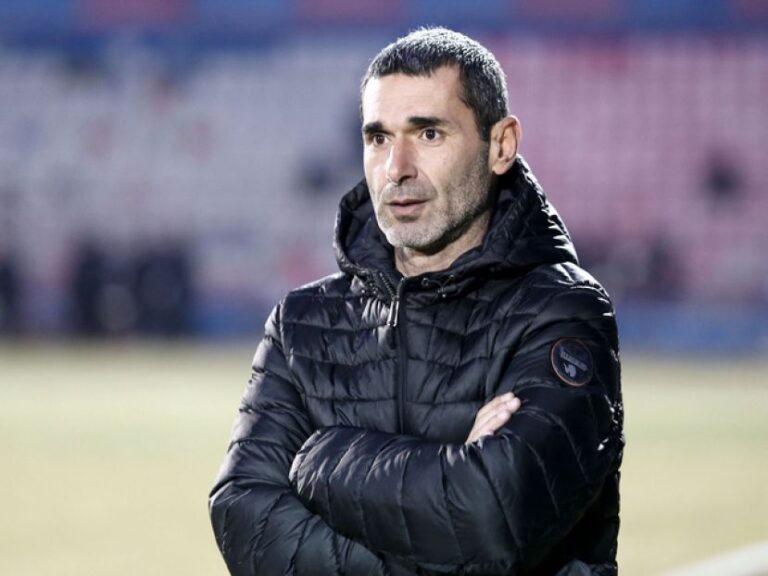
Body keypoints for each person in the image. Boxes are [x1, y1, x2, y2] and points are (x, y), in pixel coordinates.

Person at [209, 27, 624, 576]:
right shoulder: (302, 324)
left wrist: (324, 461)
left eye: (428, 134)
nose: (397, 168)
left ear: (501, 145)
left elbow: (493, 517)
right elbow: (244, 518)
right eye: (379, 138)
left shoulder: (562, 312)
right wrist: (454, 477)